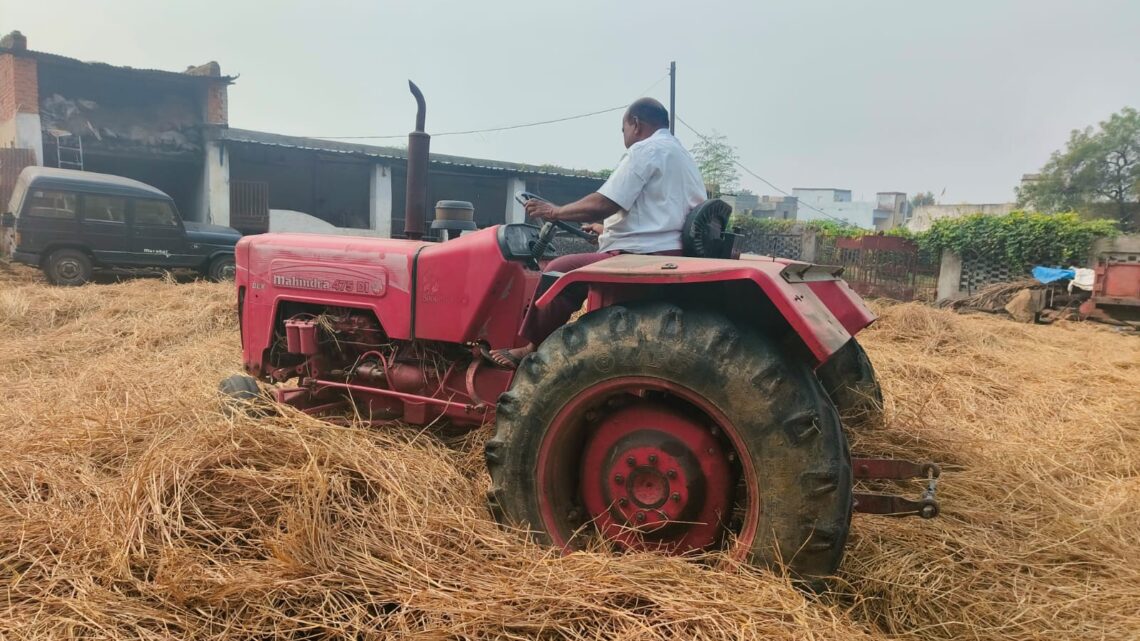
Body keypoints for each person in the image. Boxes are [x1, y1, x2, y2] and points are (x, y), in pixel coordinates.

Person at [487, 97, 707, 369]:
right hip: (666, 250)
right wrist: (605, 231)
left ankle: (531, 347)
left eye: (623, 129)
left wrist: (555, 212)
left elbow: (604, 202)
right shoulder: (682, 156)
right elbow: (660, 214)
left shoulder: (646, 150)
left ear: (635, 124)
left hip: (641, 255)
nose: (624, 136)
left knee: (558, 270)